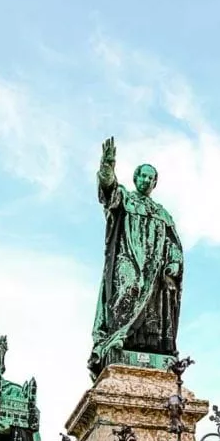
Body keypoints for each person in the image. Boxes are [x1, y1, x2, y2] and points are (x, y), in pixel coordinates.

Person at [88, 136, 183, 378]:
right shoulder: (125, 198)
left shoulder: (161, 213)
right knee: (128, 287)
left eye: (151, 178)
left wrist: (173, 261)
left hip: (153, 268)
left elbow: (173, 243)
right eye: (143, 176)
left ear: (155, 183)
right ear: (135, 178)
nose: (147, 181)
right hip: (127, 257)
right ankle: (117, 337)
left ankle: (146, 346)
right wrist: (107, 167)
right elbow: (108, 190)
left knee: (152, 302)